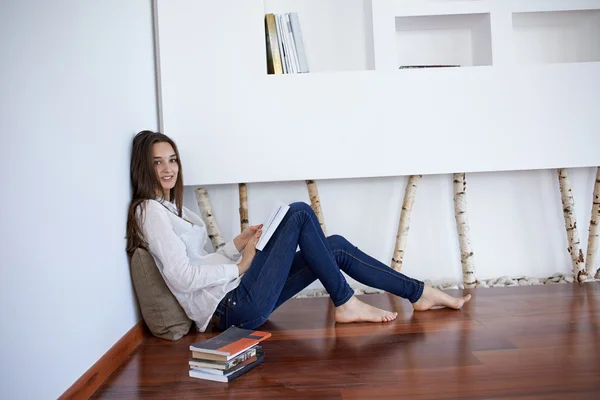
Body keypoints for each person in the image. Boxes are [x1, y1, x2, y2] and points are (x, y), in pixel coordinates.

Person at [126, 130, 471, 332]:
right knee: (300, 213)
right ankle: (346, 302)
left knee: (332, 246)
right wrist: (241, 266)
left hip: (237, 293)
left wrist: (237, 245)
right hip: (231, 306)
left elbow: (199, 260)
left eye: (172, 159)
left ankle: (418, 293)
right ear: (145, 167)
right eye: (158, 162)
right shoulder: (149, 212)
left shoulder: (176, 210)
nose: (168, 168)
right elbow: (183, 278)